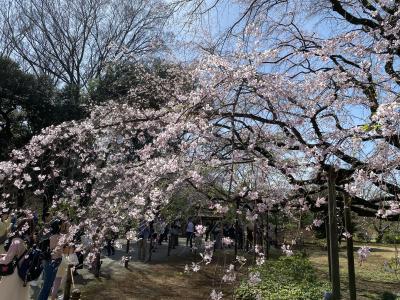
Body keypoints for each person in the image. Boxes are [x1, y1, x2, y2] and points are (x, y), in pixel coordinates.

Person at [0, 218, 31, 300]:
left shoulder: (16, 240)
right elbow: (19, 255)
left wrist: (1, 259)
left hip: (14, 272)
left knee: (6, 295)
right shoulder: (29, 239)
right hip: (23, 271)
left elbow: (8, 259)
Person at [37, 218, 68, 300]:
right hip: (52, 261)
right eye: (62, 225)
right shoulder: (57, 237)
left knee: (48, 284)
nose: (63, 226)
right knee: (47, 285)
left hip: (48, 260)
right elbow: (57, 251)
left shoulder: (50, 235)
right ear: (58, 226)